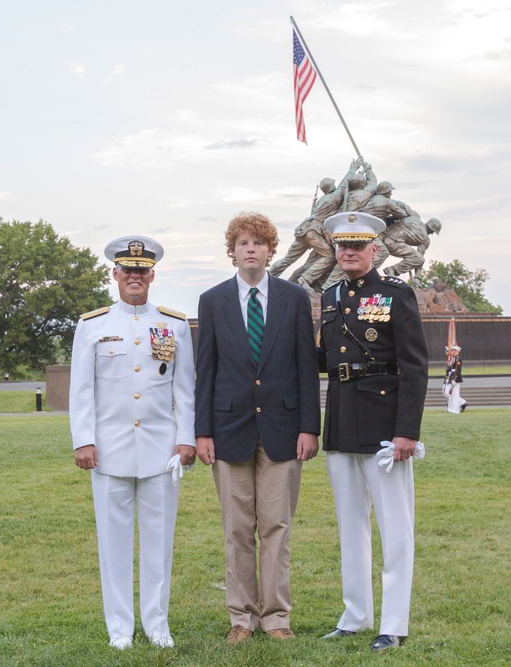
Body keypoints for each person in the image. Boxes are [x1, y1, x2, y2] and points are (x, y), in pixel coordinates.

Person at [195, 211, 321, 645]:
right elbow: (205, 371)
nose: (251, 249)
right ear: (232, 252)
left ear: (270, 251)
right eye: (243, 243)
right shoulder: (213, 301)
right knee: (237, 530)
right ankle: (242, 619)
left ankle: (276, 617)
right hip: (228, 429)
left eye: (259, 243)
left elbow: (307, 365)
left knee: (276, 527)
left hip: (285, 430)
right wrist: (202, 432)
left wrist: (310, 426)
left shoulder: (293, 298)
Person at [68, 235, 196, 651]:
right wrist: (83, 441)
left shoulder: (174, 324)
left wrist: (186, 439)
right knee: (113, 544)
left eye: (142, 270)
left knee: (159, 544)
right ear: (115, 274)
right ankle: (119, 628)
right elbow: (81, 391)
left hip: (161, 450)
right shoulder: (93, 326)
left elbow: (185, 389)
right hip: (108, 449)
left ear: (153, 274)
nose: (135, 276)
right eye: (128, 270)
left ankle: (158, 625)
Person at [316, 211, 428, 652]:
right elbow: (322, 360)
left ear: (374, 250)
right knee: (350, 526)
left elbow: (416, 366)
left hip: (385, 424)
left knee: (394, 528)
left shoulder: (396, 294)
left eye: (358, 246)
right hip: (342, 420)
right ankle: (355, 615)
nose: (349, 252)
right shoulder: (329, 298)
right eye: (343, 246)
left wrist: (407, 432)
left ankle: (393, 623)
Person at [444, 344, 467, 413]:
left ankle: (455, 410)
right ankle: (452, 408)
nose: (452, 351)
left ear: (457, 351)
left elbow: (458, 370)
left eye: (453, 350)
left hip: (455, 378)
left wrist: (455, 379)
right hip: (452, 377)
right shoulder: (454, 359)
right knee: (452, 394)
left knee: (455, 394)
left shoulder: (458, 359)